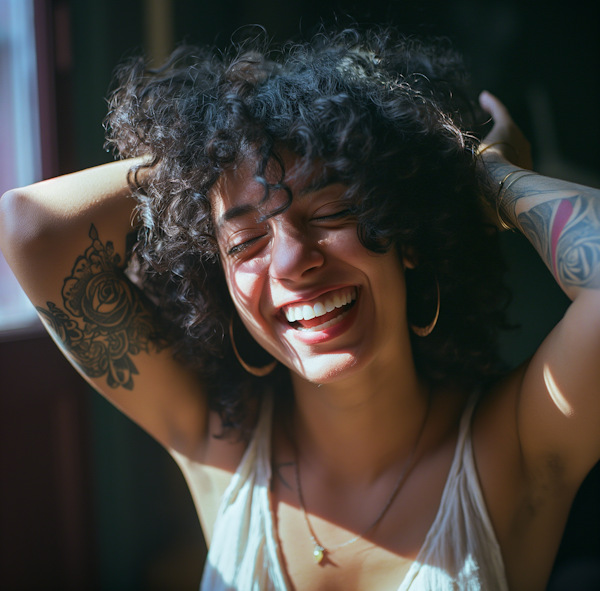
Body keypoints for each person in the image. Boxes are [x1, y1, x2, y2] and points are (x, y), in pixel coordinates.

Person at [1, 28, 599, 591]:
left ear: (407, 233)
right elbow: (32, 230)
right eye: (246, 241)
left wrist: (483, 173)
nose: (291, 262)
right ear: (224, 286)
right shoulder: (221, 451)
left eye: (330, 211)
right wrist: (204, 158)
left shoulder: (519, 446)